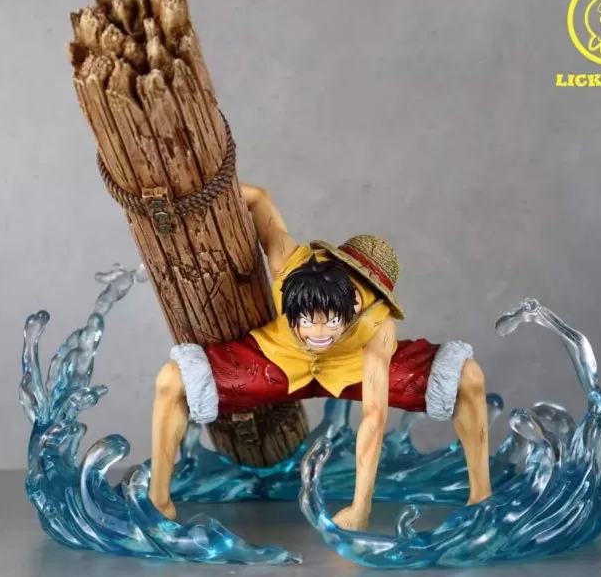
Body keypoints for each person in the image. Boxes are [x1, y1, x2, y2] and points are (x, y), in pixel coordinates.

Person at [148, 183, 492, 531]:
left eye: (330, 322)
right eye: (307, 321)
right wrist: (187, 196)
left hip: (352, 371)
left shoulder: (377, 325)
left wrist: (360, 508)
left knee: (467, 376)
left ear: (355, 306)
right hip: (277, 362)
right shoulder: (287, 261)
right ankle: (158, 500)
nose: (318, 333)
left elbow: (374, 417)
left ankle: (481, 498)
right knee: (172, 378)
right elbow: (259, 198)